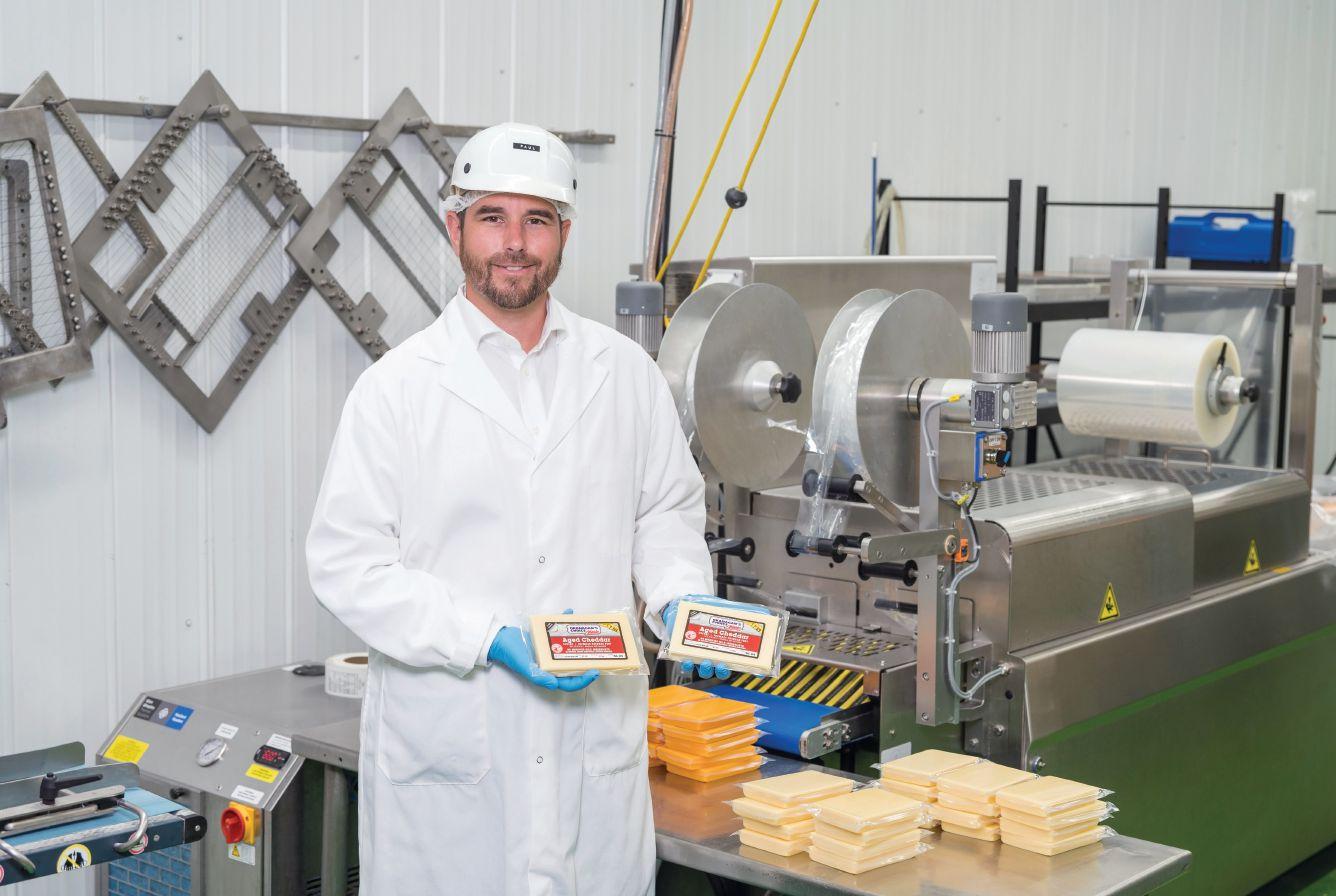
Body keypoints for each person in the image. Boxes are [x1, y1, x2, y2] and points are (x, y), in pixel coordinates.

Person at [306, 122, 747, 895]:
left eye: (537, 219)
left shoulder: (625, 374)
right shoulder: (396, 390)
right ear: (455, 228)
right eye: (492, 217)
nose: (514, 243)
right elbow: (348, 565)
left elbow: (664, 514)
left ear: (564, 234)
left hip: (592, 765)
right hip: (450, 774)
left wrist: (680, 597)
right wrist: (489, 636)